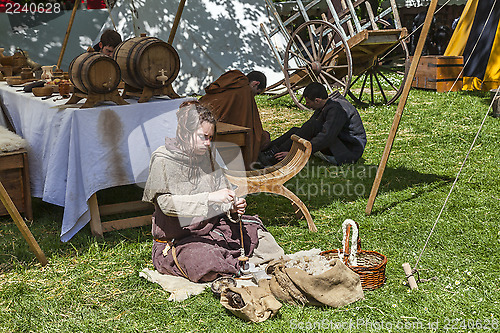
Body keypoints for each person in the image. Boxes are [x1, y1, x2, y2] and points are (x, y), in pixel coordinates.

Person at [142, 100, 281, 283]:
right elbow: (166, 205)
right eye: (203, 137)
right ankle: (233, 267)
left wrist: (232, 207)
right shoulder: (163, 159)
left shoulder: (207, 154)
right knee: (205, 260)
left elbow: (221, 192)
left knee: (263, 240)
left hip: (211, 228)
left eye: (210, 137)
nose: (208, 143)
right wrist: (209, 198)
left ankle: (232, 265)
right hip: (179, 239)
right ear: (185, 134)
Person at [260, 82, 366, 166]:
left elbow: (326, 137)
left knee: (312, 125)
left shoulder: (337, 109)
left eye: (308, 102)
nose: (307, 105)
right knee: (295, 130)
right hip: (340, 146)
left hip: (347, 153)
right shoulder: (325, 105)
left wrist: (297, 153)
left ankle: (274, 155)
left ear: (317, 100)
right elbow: (306, 131)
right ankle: (269, 149)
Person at [199, 70, 270, 170]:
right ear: (255, 84)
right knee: (262, 137)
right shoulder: (244, 91)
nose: (254, 96)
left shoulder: (231, 81)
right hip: (213, 127)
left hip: (200, 115)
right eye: (257, 93)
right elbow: (250, 124)